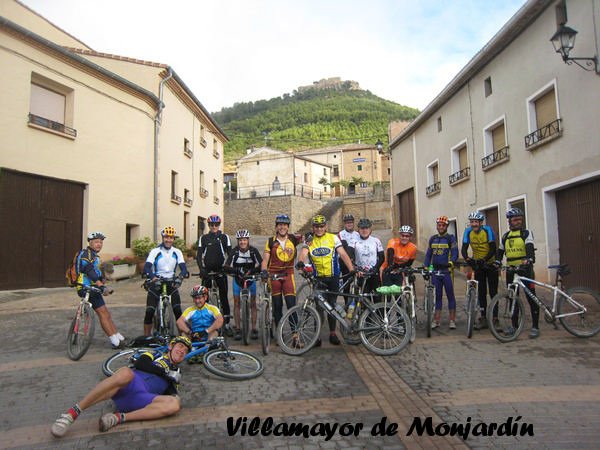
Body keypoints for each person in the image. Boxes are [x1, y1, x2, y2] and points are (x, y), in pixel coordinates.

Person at [51, 336, 192, 437]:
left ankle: (118, 418)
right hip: (129, 386)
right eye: (180, 346)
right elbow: (141, 364)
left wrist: (174, 390)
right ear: (170, 347)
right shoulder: (156, 354)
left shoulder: (177, 372)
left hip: (142, 398)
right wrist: (166, 373)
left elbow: (170, 394)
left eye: (185, 350)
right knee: (125, 373)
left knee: (175, 404)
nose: (182, 351)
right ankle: (72, 414)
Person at [297, 214, 355, 345]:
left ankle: (333, 333)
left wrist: (351, 269)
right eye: (316, 226)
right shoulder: (310, 240)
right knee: (319, 308)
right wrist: (300, 263)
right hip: (318, 278)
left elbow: (343, 254)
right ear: (313, 227)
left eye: (321, 226)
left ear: (326, 227)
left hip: (333, 277)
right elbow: (303, 254)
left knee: (332, 305)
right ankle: (316, 336)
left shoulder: (333, 238)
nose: (319, 229)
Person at [76, 231, 125, 348]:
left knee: (106, 313)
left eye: (101, 242)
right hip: (86, 288)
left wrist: (102, 281)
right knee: (103, 313)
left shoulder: (94, 255)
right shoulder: (87, 254)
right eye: (96, 242)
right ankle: (114, 341)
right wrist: (100, 285)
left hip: (93, 287)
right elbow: (88, 270)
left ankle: (118, 336)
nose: (99, 244)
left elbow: (96, 272)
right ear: (90, 242)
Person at [495, 207, 539, 338]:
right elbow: (500, 252)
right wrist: (497, 261)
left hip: (525, 270)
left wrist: (529, 259)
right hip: (511, 271)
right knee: (512, 297)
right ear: (509, 221)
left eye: (520, 219)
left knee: (531, 297)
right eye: (515, 220)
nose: (518, 222)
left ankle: (535, 327)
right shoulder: (505, 236)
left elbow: (529, 247)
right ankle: (514, 326)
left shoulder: (526, 233)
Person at [142, 226, 189, 336]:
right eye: (166, 237)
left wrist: (180, 277)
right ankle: (146, 338)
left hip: (171, 281)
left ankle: (183, 337)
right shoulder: (155, 251)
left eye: (171, 238)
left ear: (174, 239)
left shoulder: (177, 252)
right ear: (163, 238)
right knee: (149, 311)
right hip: (157, 281)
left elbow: (184, 269)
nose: (168, 240)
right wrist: (153, 277)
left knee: (178, 310)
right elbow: (147, 267)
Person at [461, 211, 499, 330]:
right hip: (478, 265)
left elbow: (493, 248)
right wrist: (468, 259)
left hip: (490, 264)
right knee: (481, 292)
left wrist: (485, 259)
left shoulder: (487, 230)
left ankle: (495, 318)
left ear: (480, 222)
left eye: (476, 222)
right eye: (472, 222)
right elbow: (464, 249)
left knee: (493, 292)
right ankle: (483, 318)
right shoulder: (468, 231)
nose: (474, 224)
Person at [260, 214, 299, 330]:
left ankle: (295, 333)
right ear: (276, 227)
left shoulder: (293, 239)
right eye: (280, 225)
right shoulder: (270, 241)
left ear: (288, 227)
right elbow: (265, 260)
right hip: (274, 276)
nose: (282, 227)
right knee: (277, 305)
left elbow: (308, 238)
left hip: (288, 275)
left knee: (291, 305)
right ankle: (279, 332)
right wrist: (264, 271)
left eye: (285, 225)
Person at [196, 214, 233, 336]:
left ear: (219, 225)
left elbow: (230, 254)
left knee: (223, 297)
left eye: (216, 224)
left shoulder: (224, 237)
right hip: (207, 271)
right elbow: (199, 255)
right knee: (203, 298)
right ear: (209, 225)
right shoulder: (204, 238)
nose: (214, 226)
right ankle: (205, 323)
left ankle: (226, 324)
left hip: (220, 270)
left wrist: (227, 267)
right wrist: (201, 269)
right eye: (211, 224)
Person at [223, 229, 263, 340]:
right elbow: (226, 265)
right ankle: (238, 328)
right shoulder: (234, 251)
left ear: (248, 240)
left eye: (244, 240)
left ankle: (254, 328)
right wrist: (236, 270)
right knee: (236, 303)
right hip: (238, 280)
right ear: (238, 241)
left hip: (250, 280)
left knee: (253, 304)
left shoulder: (253, 251)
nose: (242, 242)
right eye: (240, 240)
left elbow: (262, 264)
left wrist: (252, 271)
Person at [424, 216, 459, 330]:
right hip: (435, 271)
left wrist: (451, 262)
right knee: (437, 296)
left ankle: (452, 320)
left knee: (450, 295)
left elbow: (455, 253)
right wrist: (426, 266)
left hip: (447, 271)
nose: (441, 227)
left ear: (447, 226)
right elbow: (428, 254)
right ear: (437, 226)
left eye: (443, 225)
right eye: (439, 225)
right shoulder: (433, 239)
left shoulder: (450, 238)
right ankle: (436, 320)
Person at [349, 218, 384, 294]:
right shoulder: (353, 241)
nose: (364, 230)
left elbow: (382, 257)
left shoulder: (376, 241)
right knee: (363, 296)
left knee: (377, 297)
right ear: (358, 229)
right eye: (362, 228)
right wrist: (356, 268)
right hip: (361, 273)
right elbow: (349, 256)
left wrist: (375, 268)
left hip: (373, 273)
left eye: (366, 228)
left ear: (370, 229)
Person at [338, 214, 360, 301]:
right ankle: (346, 302)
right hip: (344, 261)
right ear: (344, 224)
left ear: (353, 223)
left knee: (358, 283)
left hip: (356, 261)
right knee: (346, 283)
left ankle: (358, 303)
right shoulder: (341, 234)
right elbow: (342, 247)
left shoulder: (357, 234)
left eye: (351, 222)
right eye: (347, 223)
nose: (349, 224)